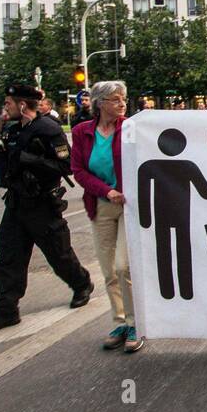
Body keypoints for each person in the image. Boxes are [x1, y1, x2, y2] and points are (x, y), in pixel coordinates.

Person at [0, 85, 93, 335]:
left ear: (22, 105)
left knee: (59, 254)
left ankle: (82, 284)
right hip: (17, 204)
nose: (5, 107)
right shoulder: (10, 130)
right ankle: (6, 310)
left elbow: (66, 165)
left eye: (8, 102)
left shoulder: (48, 129)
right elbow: (8, 168)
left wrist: (33, 160)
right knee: (9, 257)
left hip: (43, 205)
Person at [70, 80, 140, 351]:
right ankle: (120, 320)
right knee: (109, 269)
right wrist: (106, 191)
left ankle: (136, 323)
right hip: (100, 205)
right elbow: (78, 170)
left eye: (123, 98)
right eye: (115, 99)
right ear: (100, 103)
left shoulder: (132, 128)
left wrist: (124, 191)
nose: (122, 103)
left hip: (130, 206)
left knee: (124, 266)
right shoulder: (81, 132)